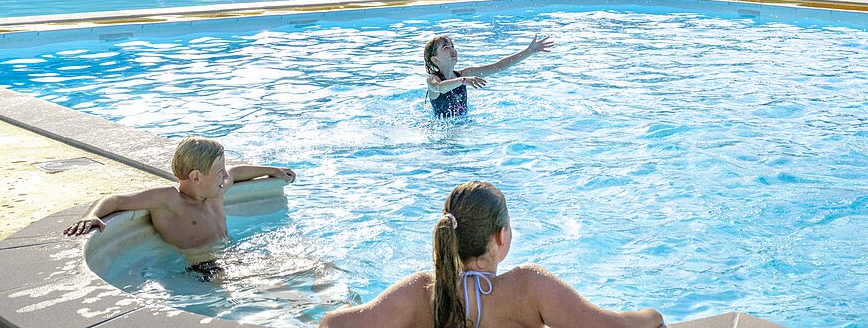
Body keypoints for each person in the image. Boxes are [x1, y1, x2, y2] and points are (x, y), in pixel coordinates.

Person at [320, 181, 664, 328]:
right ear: (502, 238)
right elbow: (608, 327)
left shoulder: (421, 290)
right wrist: (649, 315)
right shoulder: (528, 287)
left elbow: (333, 325)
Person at [64, 137, 295, 272]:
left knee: (303, 270)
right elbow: (116, 200)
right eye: (218, 171)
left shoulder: (216, 191)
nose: (224, 176)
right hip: (202, 267)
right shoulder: (168, 200)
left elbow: (236, 172)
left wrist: (272, 171)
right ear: (196, 177)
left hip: (231, 254)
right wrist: (91, 215)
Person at [424, 33, 553, 118]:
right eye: (446, 47)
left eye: (453, 45)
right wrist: (463, 81)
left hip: (464, 126)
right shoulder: (433, 79)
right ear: (435, 60)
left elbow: (499, 66)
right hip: (442, 133)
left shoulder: (465, 74)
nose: (452, 49)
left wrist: (529, 51)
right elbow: (439, 88)